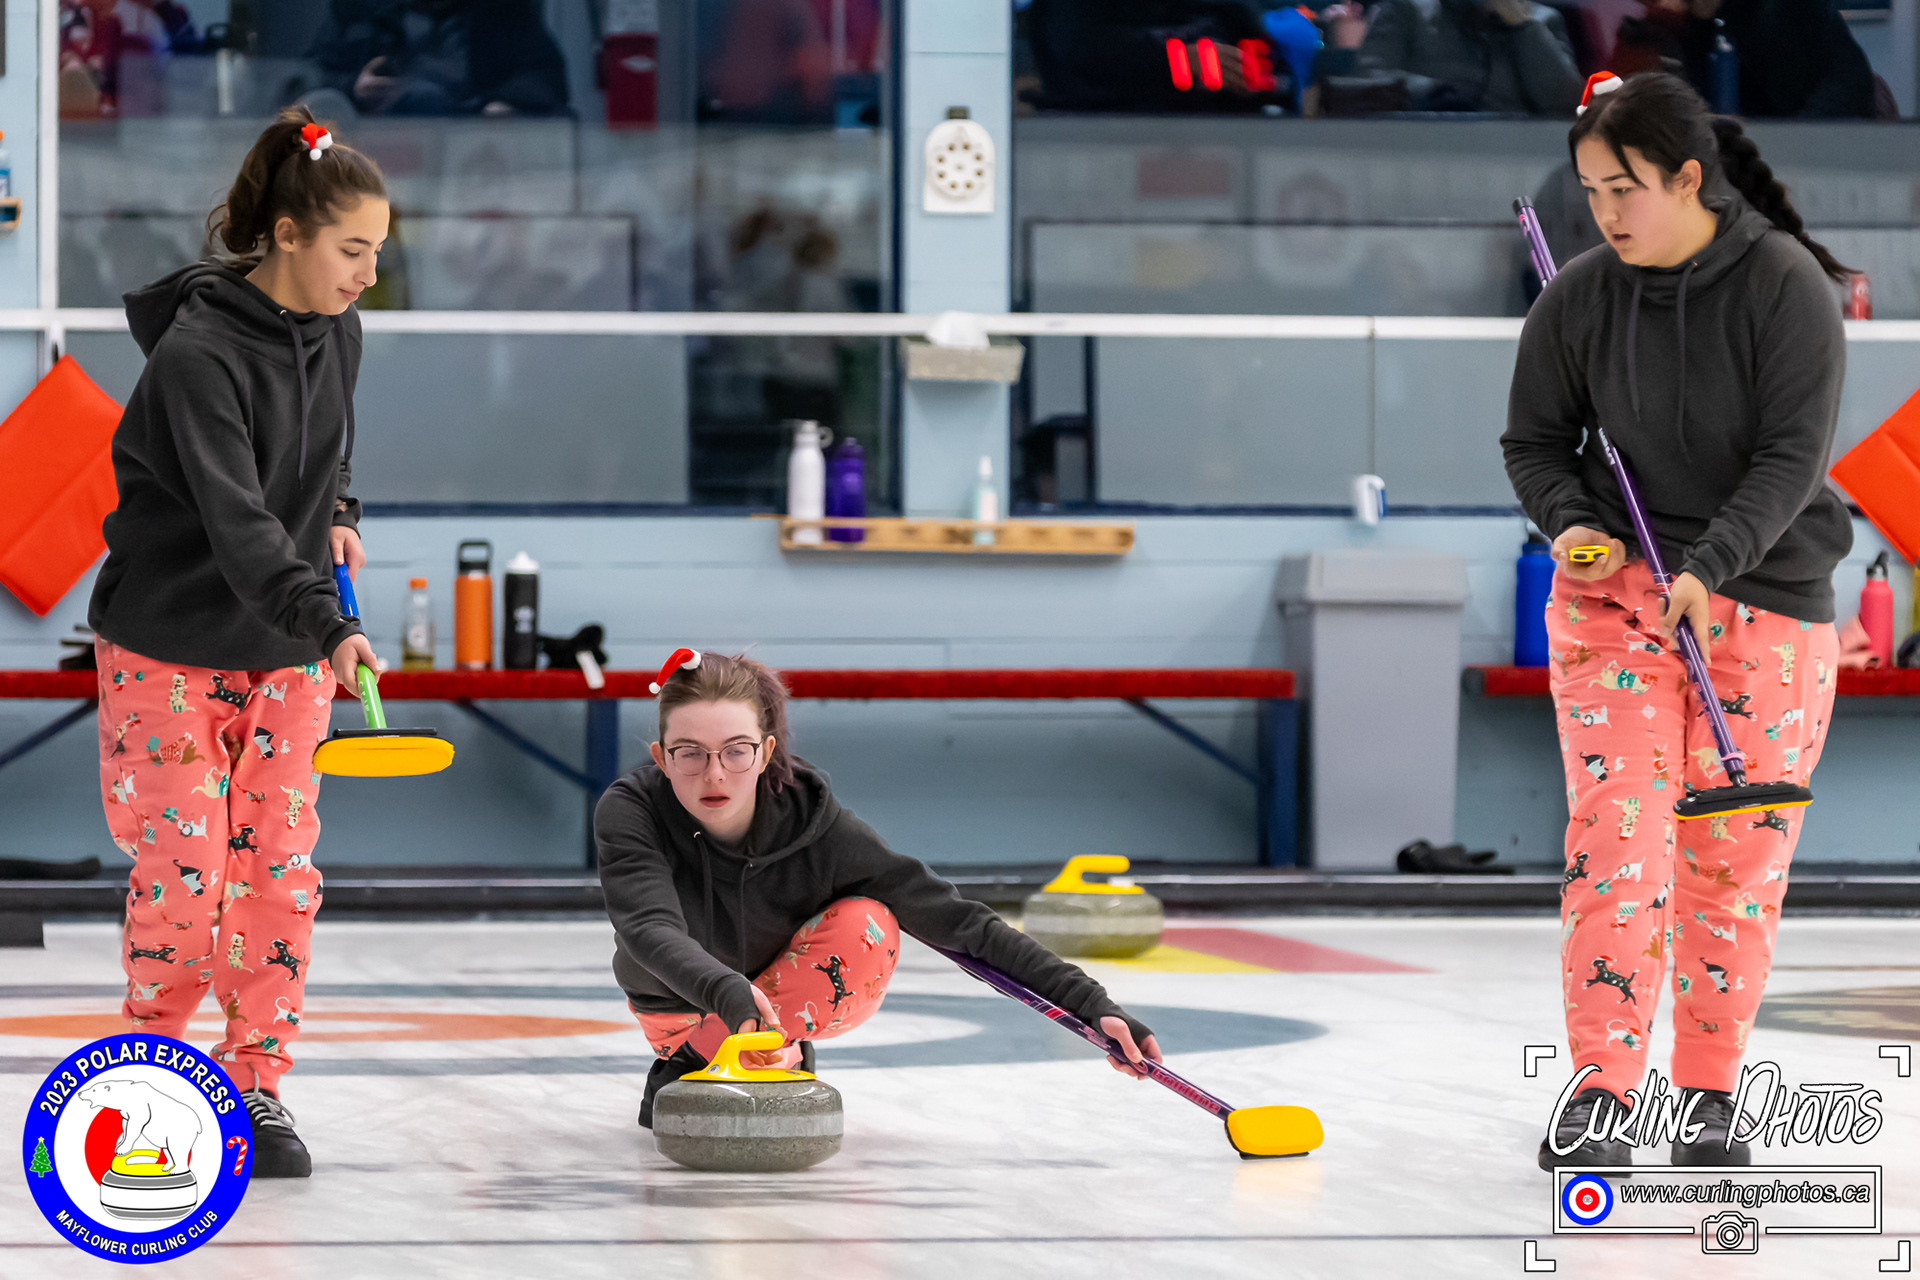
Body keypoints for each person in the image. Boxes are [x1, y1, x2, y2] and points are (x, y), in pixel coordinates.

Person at [1503, 71, 1853, 1171]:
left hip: (1767, 602)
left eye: (1627, 188)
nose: (1606, 213)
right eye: (1591, 191)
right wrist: (1571, 525)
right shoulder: (1579, 298)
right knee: (1618, 842)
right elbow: (1535, 444)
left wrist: (1712, 566)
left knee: (1733, 863)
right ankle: (1603, 1089)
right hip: (1618, 607)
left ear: (1690, 177)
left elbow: (1791, 458)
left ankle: (1708, 1092)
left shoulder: (1786, 287)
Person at [89, 105, 389, 1179]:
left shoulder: (338, 329)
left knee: (277, 874)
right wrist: (334, 621)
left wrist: (338, 507)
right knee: (187, 874)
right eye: (352, 250)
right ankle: (154, 1075)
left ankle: (254, 1081)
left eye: (378, 251)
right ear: (289, 235)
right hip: (169, 647)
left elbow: (328, 442)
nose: (368, 275)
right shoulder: (198, 354)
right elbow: (241, 523)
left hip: (286, 648)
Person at [597, 649, 1163, 1126]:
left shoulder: (816, 826)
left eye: (736, 750)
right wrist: (727, 993)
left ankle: (765, 1049)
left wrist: (1092, 1005)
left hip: (782, 1002)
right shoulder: (632, 810)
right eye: (689, 753)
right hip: (681, 1009)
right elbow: (648, 927)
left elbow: (959, 923)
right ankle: (695, 1058)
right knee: (664, 951)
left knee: (868, 920)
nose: (715, 773)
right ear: (661, 758)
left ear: (765, 752)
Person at [1612, 0, 1878, 119]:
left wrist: (1785, 139)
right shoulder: (1664, 34)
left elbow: (1852, 82)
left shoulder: (1784, 9)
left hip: (1808, 159)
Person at [1355, 0, 1585, 115]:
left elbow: (1564, 104)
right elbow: (1371, 77)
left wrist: (1525, 28)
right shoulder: (1405, 9)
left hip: (1514, 157)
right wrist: (1436, 94)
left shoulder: (1542, 21)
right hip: (1424, 146)